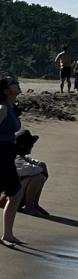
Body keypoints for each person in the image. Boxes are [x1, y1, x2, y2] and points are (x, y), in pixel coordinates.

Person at [0, 75, 25, 245]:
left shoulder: (11, 106)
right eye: (13, 83)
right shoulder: (3, 108)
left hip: (8, 154)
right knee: (15, 193)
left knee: (15, 193)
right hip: (1, 154)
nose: (17, 84)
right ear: (5, 90)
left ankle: (8, 234)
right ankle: (7, 235)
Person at [14, 128, 49, 216]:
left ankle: (34, 204)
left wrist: (41, 166)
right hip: (5, 197)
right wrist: (41, 168)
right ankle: (29, 207)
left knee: (40, 174)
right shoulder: (15, 159)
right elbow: (32, 170)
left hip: (12, 195)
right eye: (31, 144)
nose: (32, 146)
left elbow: (37, 163)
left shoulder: (21, 157)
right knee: (37, 176)